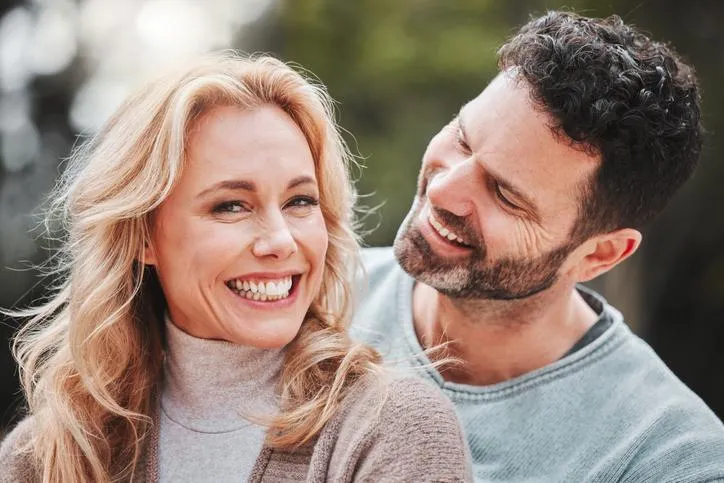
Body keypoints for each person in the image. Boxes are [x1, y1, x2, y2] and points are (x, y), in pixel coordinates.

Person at [0, 54, 472, 482]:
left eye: (300, 201)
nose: (281, 241)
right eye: (231, 206)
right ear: (142, 235)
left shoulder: (392, 428)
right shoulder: (46, 454)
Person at [351, 11, 724, 482]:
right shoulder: (305, 298)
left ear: (599, 255)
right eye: (462, 139)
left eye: (505, 194)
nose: (445, 191)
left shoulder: (665, 461)